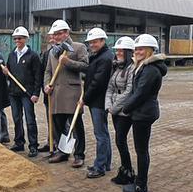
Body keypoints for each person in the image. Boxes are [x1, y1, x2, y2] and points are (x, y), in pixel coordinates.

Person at [122, 34, 167, 192]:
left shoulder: (150, 70)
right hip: (143, 112)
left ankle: (141, 185)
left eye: (141, 49)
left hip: (143, 113)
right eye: (136, 49)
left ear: (150, 50)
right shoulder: (144, 66)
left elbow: (140, 94)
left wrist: (125, 108)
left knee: (141, 150)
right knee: (141, 149)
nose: (137, 51)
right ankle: (141, 182)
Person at [44, 19, 88, 168]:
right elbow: (48, 71)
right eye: (54, 35)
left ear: (67, 33)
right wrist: (46, 85)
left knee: (76, 125)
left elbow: (85, 66)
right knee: (59, 125)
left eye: (59, 34)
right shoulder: (52, 51)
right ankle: (63, 152)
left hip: (72, 92)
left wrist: (68, 62)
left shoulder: (78, 47)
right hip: (56, 93)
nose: (56, 37)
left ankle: (79, 155)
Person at [2, 26, 42, 157]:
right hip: (13, 92)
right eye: (15, 38)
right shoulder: (12, 55)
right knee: (16, 118)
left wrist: (36, 93)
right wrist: (6, 73)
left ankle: (33, 145)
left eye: (20, 38)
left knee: (30, 120)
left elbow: (38, 76)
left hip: (27, 93)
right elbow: (9, 74)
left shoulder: (33, 56)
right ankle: (19, 142)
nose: (17, 40)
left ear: (26, 39)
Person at [81, 28, 114, 178]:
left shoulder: (105, 58)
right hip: (96, 100)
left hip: (98, 101)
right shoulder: (98, 56)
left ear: (103, 41)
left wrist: (84, 99)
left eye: (95, 41)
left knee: (100, 134)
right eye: (90, 42)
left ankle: (99, 167)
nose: (92, 44)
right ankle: (105, 163)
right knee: (104, 133)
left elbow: (97, 83)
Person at [105, 36, 136, 185]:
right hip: (114, 109)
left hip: (124, 111)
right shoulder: (116, 66)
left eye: (121, 50)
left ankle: (128, 171)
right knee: (119, 140)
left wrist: (114, 107)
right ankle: (125, 169)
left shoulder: (132, 68)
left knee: (120, 140)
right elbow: (110, 87)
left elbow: (129, 91)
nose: (118, 52)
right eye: (116, 50)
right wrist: (108, 105)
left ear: (129, 52)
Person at [39, 33, 56, 153]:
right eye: (50, 37)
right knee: (50, 119)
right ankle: (51, 142)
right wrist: (45, 87)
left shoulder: (66, 52)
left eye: (54, 36)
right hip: (48, 93)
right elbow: (44, 72)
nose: (52, 39)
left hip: (60, 94)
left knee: (61, 122)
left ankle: (61, 146)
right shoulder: (46, 54)